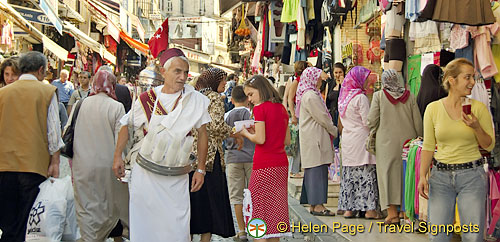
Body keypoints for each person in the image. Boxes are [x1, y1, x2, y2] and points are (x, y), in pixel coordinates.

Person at [113, 48, 211, 242]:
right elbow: (127, 124)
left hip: (176, 175)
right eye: (177, 71)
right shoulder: (147, 99)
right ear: (163, 72)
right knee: (145, 225)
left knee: (177, 227)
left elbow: (202, 134)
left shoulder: (195, 100)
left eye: (185, 72)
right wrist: (117, 156)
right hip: (146, 174)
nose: (183, 77)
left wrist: (201, 169)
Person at [418, 58, 494, 241]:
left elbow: (489, 145)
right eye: (467, 77)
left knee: (473, 236)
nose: (473, 82)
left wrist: (476, 127)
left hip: (472, 176)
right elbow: (428, 146)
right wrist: (422, 176)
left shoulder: (478, 109)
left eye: (473, 77)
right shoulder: (433, 109)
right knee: (438, 236)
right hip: (441, 177)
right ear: (451, 80)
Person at [0, 51, 63, 241]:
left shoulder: (2, 93)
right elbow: (53, 131)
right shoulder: (47, 92)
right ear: (41, 70)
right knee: (28, 221)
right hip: (34, 166)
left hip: (4, 166)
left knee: (8, 222)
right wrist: (55, 162)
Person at [72, 69, 129, 241]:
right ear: (112, 85)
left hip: (82, 165)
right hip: (108, 166)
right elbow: (122, 136)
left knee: (86, 205)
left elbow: (68, 132)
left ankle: (89, 237)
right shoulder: (116, 107)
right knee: (108, 205)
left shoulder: (80, 104)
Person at [238, 75, 291, 241]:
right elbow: (287, 140)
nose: (249, 99)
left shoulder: (260, 109)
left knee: (258, 210)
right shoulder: (281, 108)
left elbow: (260, 139)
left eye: (251, 94)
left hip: (263, 165)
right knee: (276, 210)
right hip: (281, 164)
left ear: (260, 90)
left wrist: (245, 132)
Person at [367, 69, 423, 224]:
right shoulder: (410, 96)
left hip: (386, 144)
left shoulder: (379, 96)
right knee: (406, 174)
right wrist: (419, 137)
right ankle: (405, 212)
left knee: (387, 176)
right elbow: (418, 122)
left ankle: (392, 214)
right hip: (408, 142)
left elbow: (371, 121)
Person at [190, 68, 237, 241]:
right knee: (209, 207)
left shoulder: (195, 96)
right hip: (209, 157)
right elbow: (216, 127)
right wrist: (234, 131)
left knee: (193, 204)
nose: (225, 83)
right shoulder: (215, 98)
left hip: (190, 156)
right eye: (222, 80)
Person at [337, 66, 379, 219]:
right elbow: (367, 121)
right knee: (365, 173)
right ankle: (369, 210)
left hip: (348, 140)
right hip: (361, 139)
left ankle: (349, 209)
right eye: (366, 78)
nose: (368, 80)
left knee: (350, 175)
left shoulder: (343, 97)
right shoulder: (360, 98)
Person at [296, 67, 338, 216]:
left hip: (313, 138)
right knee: (317, 170)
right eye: (319, 78)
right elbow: (323, 117)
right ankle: (319, 205)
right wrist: (334, 130)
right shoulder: (311, 96)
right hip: (315, 138)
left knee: (314, 169)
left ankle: (314, 205)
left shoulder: (308, 94)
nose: (320, 81)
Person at [224, 85, 255, 241]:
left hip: (233, 159)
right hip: (251, 158)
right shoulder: (251, 114)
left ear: (232, 99)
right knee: (253, 194)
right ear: (247, 99)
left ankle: (241, 231)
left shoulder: (227, 115)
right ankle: (256, 229)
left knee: (236, 196)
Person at [283, 61, 310, 179]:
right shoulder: (295, 81)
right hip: (297, 115)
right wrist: (292, 114)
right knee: (297, 143)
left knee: (301, 142)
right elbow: (289, 98)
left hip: (303, 114)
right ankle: (294, 170)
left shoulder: (304, 80)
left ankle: (297, 168)